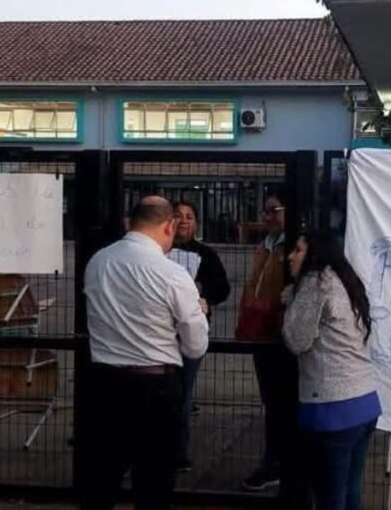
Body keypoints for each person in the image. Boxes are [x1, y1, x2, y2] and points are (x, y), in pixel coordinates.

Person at [80, 196, 209, 510]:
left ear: (131, 222)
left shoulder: (98, 262)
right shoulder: (172, 273)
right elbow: (195, 345)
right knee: (154, 482)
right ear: (169, 225)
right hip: (156, 388)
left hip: (103, 383)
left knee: (101, 479)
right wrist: (199, 312)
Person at [283, 231, 381, 510]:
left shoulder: (315, 282)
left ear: (315, 254)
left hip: (332, 407)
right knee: (350, 490)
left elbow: (296, 339)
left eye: (298, 250)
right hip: (364, 402)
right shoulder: (344, 281)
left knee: (330, 497)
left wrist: (290, 301)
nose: (290, 257)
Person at [236, 192, 299, 494]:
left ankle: (279, 464)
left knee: (282, 405)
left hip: (282, 336)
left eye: (274, 210)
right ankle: (276, 462)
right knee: (273, 404)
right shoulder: (268, 245)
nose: (268, 216)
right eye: (266, 211)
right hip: (262, 334)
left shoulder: (292, 246)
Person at [168, 201, 231, 471]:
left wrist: (206, 297)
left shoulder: (205, 254)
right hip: (158, 332)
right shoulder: (158, 251)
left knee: (183, 394)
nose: (184, 220)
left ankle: (178, 453)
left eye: (189, 216)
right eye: (179, 215)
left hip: (189, 334)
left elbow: (223, 288)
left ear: (196, 223)